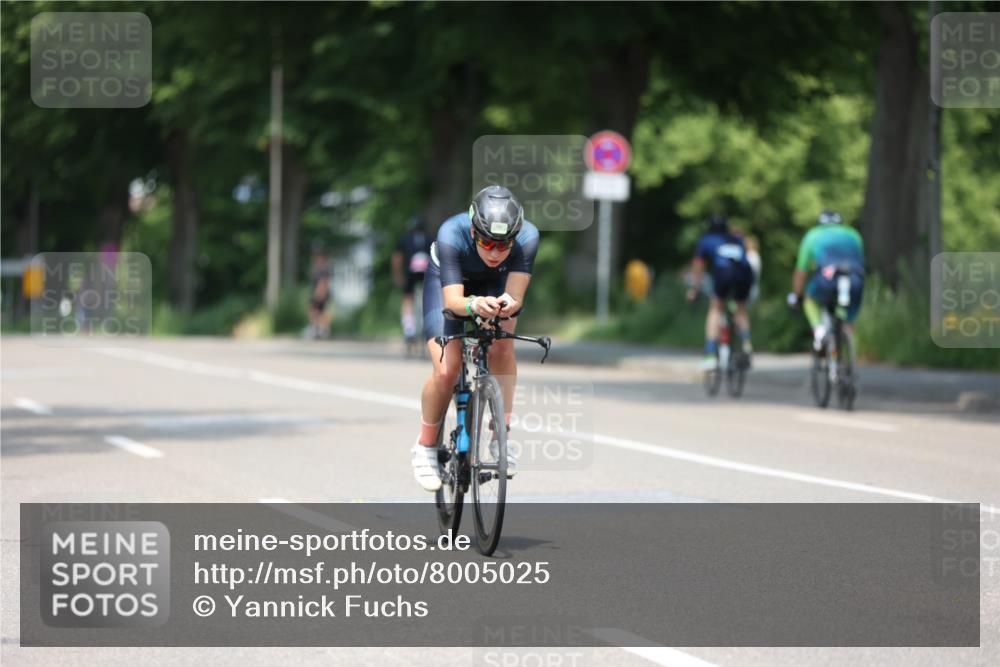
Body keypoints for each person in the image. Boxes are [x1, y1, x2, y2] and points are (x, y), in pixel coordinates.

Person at [410, 185, 539, 492]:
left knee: (503, 345)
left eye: (503, 245)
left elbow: (516, 295)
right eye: (486, 242)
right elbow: (453, 301)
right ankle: (425, 447)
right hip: (450, 284)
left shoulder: (528, 237)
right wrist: (473, 305)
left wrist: (505, 304)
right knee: (446, 368)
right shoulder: (451, 234)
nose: (494, 252)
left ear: (515, 236)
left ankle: (501, 436)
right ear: (472, 230)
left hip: (496, 285)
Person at [685, 214, 755, 370]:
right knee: (741, 309)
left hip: (724, 274)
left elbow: (698, 267)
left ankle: (710, 354)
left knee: (716, 309)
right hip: (745, 274)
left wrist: (694, 289)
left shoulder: (706, 240)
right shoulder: (737, 239)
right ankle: (746, 343)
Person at [787, 209, 865, 350]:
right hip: (854, 278)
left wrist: (797, 295)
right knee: (848, 313)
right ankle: (848, 341)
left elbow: (801, 271)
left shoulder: (813, 235)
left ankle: (819, 330)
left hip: (827, 278)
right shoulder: (853, 234)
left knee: (809, 299)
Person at [391, 215, 432, 345]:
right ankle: (429, 325)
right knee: (429, 298)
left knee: (407, 298)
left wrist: (398, 276)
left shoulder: (405, 239)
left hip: (411, 271)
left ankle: (409, 329)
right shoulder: (429, 239)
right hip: (426, 271)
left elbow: (396, 260)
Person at [307, 244, 332, 339]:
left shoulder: (322, 269)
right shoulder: (321, 268)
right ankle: (321, 330)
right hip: (322, 293)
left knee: (316, 311)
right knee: (319, 311)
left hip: (320, 293)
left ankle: (320, 330)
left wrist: (319, 294)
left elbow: (323, 282)